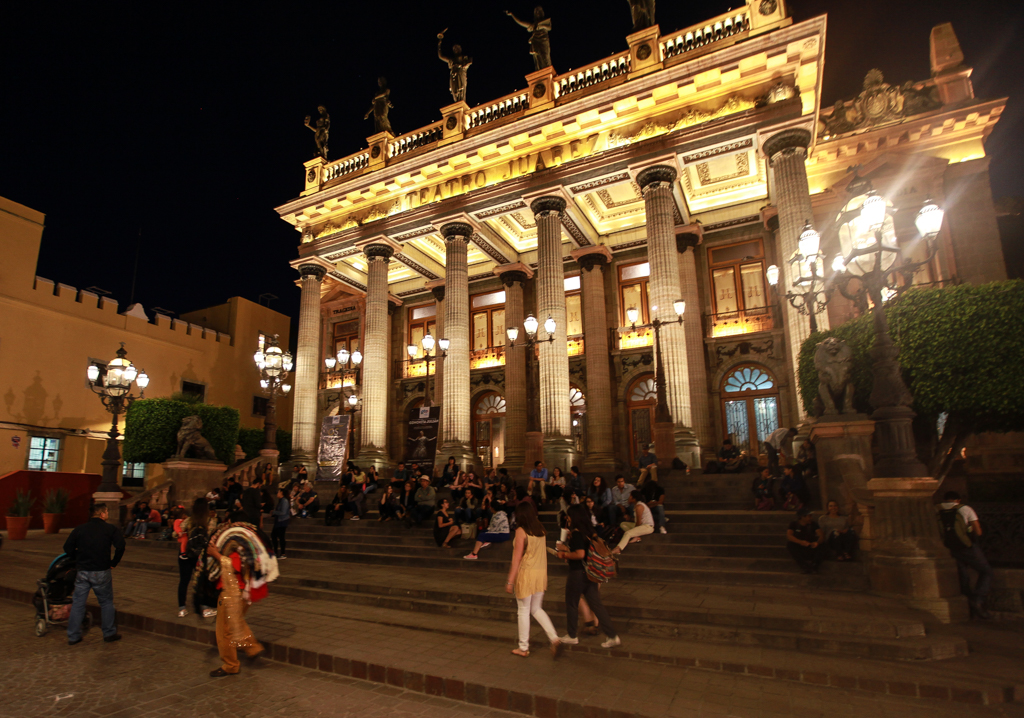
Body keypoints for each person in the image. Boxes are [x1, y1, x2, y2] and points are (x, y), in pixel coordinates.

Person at [554, 504, 620, 648]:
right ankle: (612, 636)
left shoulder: (577, 533)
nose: (568, 518)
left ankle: (572, 635)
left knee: (571, 603)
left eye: (569, 515)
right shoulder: (590, 532)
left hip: (578, 573)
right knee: (596, 605)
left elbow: (580, 554)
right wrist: (567, 548)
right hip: (591, 573)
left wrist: (564, 554)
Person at [505, 502, 562, 658]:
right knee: (536, 608)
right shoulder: (541, 530)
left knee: (523, 610)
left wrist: (510, 580)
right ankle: (554, 638)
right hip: (540, 573)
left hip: (526, 573)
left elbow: (516, 559)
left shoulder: (521, 532)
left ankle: (523, 647)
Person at [64, 502, 125, 645]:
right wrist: (113, 562)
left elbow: (67, 548)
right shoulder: (110, 529)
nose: (107, 514)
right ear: (102, 514)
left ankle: (73, 635)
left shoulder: (80, 529)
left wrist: (77, 557)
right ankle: (109, 633)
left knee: (78, 603)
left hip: (83, 571)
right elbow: (121, 546)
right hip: (101, 570)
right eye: (107, 512)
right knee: (106, 602)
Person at [206, 537, 265, 676]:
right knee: (235, 623)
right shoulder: (247, 545)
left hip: (232, 593)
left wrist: (215, 554)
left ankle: (231, 664)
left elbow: (233, 566)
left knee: (224, 631)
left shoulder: (237, 547)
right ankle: (252, 648)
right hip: (242, 591)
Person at [938, 491, 993, 619]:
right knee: (986, 571)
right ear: (958, 500)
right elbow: (978, 531)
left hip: (948, 547)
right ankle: (978, 599)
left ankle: (968, 606)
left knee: (963, 575)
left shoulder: (936, 509)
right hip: (965, 546)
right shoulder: (965, 509)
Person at [786, 508, 825, 574]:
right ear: (802, 517)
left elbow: (821, 535)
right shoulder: (794, 524)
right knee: (790, 544)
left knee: (823, 546)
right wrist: (800, 542)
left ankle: (814, 565)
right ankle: (804, 566)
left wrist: (817, 542)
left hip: (811, 546)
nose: (811, 518)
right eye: (809, 516)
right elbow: (789, 536)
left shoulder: (813, 524)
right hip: (800, 546)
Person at [270, 488, 290, 559]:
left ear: (281, 493)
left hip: (282, 521)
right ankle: (276, 552)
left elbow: (283, 512)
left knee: (280, 537)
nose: (277, 494)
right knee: (274, 536)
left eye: (278, 492)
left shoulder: (284, 501)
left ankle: (282, 553)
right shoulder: (281, 501)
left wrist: (274, 512)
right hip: (278, 521)